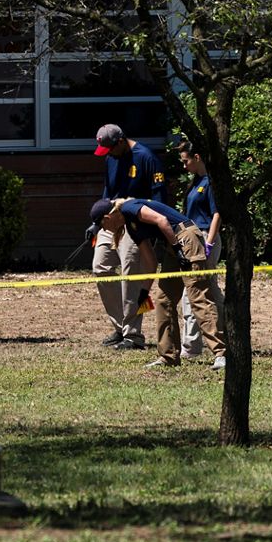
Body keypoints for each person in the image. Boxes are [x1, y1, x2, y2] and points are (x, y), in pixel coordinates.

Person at [89, 196, 226, 370]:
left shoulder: (130, 208)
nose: (104, 230)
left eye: (102, 226)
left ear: (107, 218)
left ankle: (222, 354)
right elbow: (151, 261)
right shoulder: (131, 227)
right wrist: (144, 292)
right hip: (173, 244)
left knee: (197, 296)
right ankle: (168, 356)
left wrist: (178, 250)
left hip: (185, 238)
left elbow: (161, 220)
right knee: (163, 300)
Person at [87, 124, 165, 351]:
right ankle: (120, 325)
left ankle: (133, 335)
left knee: (131, 277)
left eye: (110, 148)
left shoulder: (147, 158)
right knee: (100, 268)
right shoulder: (110, 157)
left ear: (120, 142)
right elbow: (107, 191)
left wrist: (154, 230)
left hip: (135, 223)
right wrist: (96, 222)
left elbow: (159, 197)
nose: (107, 153)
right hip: (110, 221)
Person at [176, 141, 226, 363]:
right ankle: (228, 333)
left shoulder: (210, 182)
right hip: (192, 238)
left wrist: (210, 242)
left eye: (186, 161)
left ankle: (191, 346)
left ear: (197, 157)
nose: (184, 166)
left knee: (193, 291)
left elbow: (217, 214)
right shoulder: (195, 182)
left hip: (204, 237)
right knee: (211, 291)